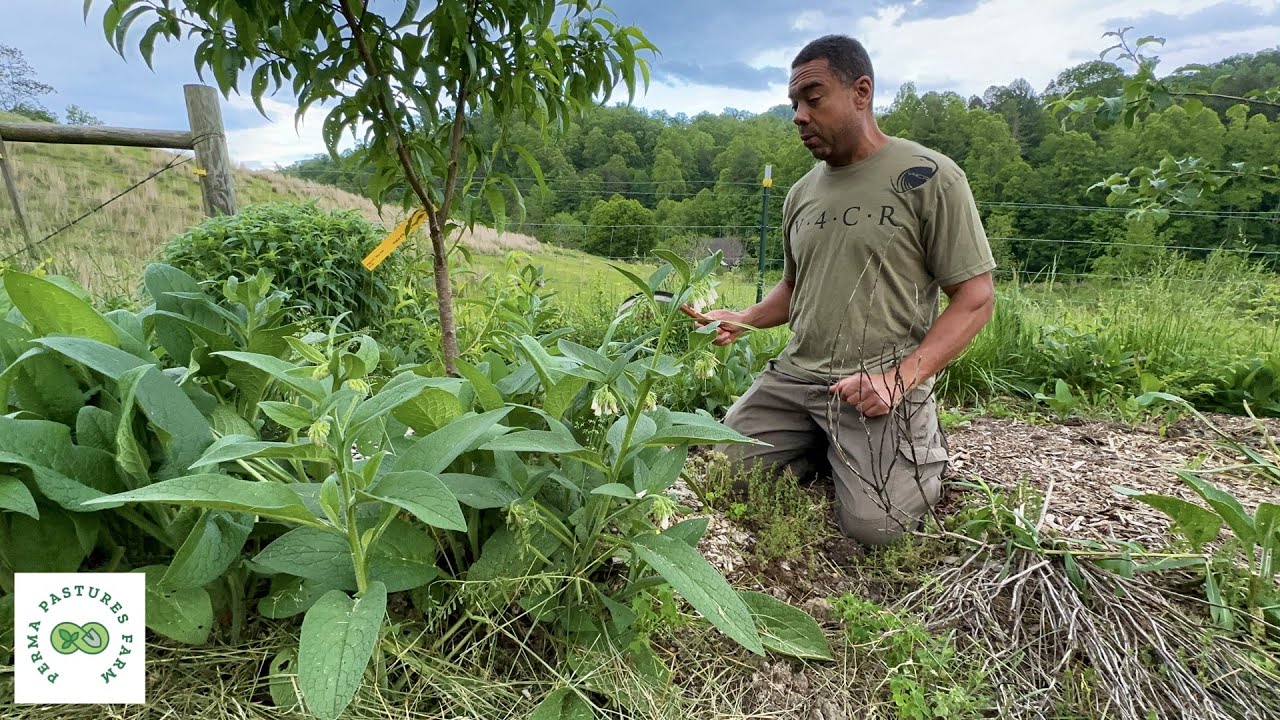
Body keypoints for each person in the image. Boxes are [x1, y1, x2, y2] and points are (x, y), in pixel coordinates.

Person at [702, 35, 996, 547]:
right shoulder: (801, 193)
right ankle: (824, 443)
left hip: (875, 384)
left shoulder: (929, 177)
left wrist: (900, 379)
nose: (798, 115)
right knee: (721, 479)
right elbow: (795, 289)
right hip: (795, 380)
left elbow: (976, 297)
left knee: (877, 529)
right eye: (794, 103)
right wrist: (745, 318)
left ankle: (920, 448)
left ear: (861, 92)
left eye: (812, 99)